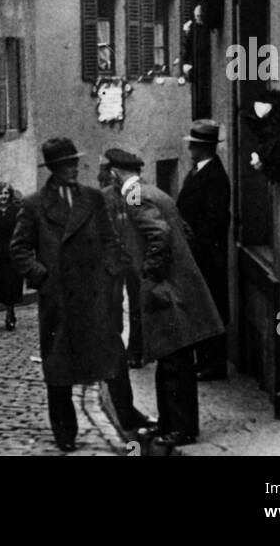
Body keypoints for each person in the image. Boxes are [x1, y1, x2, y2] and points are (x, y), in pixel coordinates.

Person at [9, 137, 149, 453]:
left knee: (113, 360)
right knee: (59, 369)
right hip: (59, 300)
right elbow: (18, 249)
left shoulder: (93, 198)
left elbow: (111, 240)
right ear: (54, 170)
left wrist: (111, 271)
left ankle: (128, 419)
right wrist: (42, 277)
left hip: (95, 296)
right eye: (66, 165)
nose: (73, 169)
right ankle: (65, 431)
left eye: (75, 163)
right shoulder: (34, 205)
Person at [105, 147, 224, 451]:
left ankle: (182, 428)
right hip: (178, 287)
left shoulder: (134, 197)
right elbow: (184, 231)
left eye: (110, 173)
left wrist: (152, 276)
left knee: (174, 362)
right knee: (170, 358)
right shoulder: (156, 192)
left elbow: (159, 236)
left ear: (116, 173)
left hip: (166, 291)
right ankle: (169, 422)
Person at [177, 119, 231, 380]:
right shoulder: (198, 171)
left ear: (204, 148)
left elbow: (215, 220)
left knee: (211, 308)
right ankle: (204, 361)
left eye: (194, 146)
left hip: (207, 255)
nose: (190, 150)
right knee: (202, 307)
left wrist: (195, 243)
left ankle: (213, 364)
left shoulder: (215, 177)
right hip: (199, 253)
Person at [99, 157, 144, 367]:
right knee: (113, 303)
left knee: (136, 305)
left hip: (132, 257)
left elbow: (134, 221)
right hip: (113, 258)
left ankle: (135, 349)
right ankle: (113, 347)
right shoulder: (105, 196)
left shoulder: (133, 193)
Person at [0, 181, 23, 330]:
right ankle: (8, 310)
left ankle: (10, 313)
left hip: (13, 252)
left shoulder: (17, 211)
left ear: (10, 195)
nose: (3, 196)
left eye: (6, 193)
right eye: (1, 193)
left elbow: (21, 231)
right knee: (0, 285)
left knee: (12, 283)